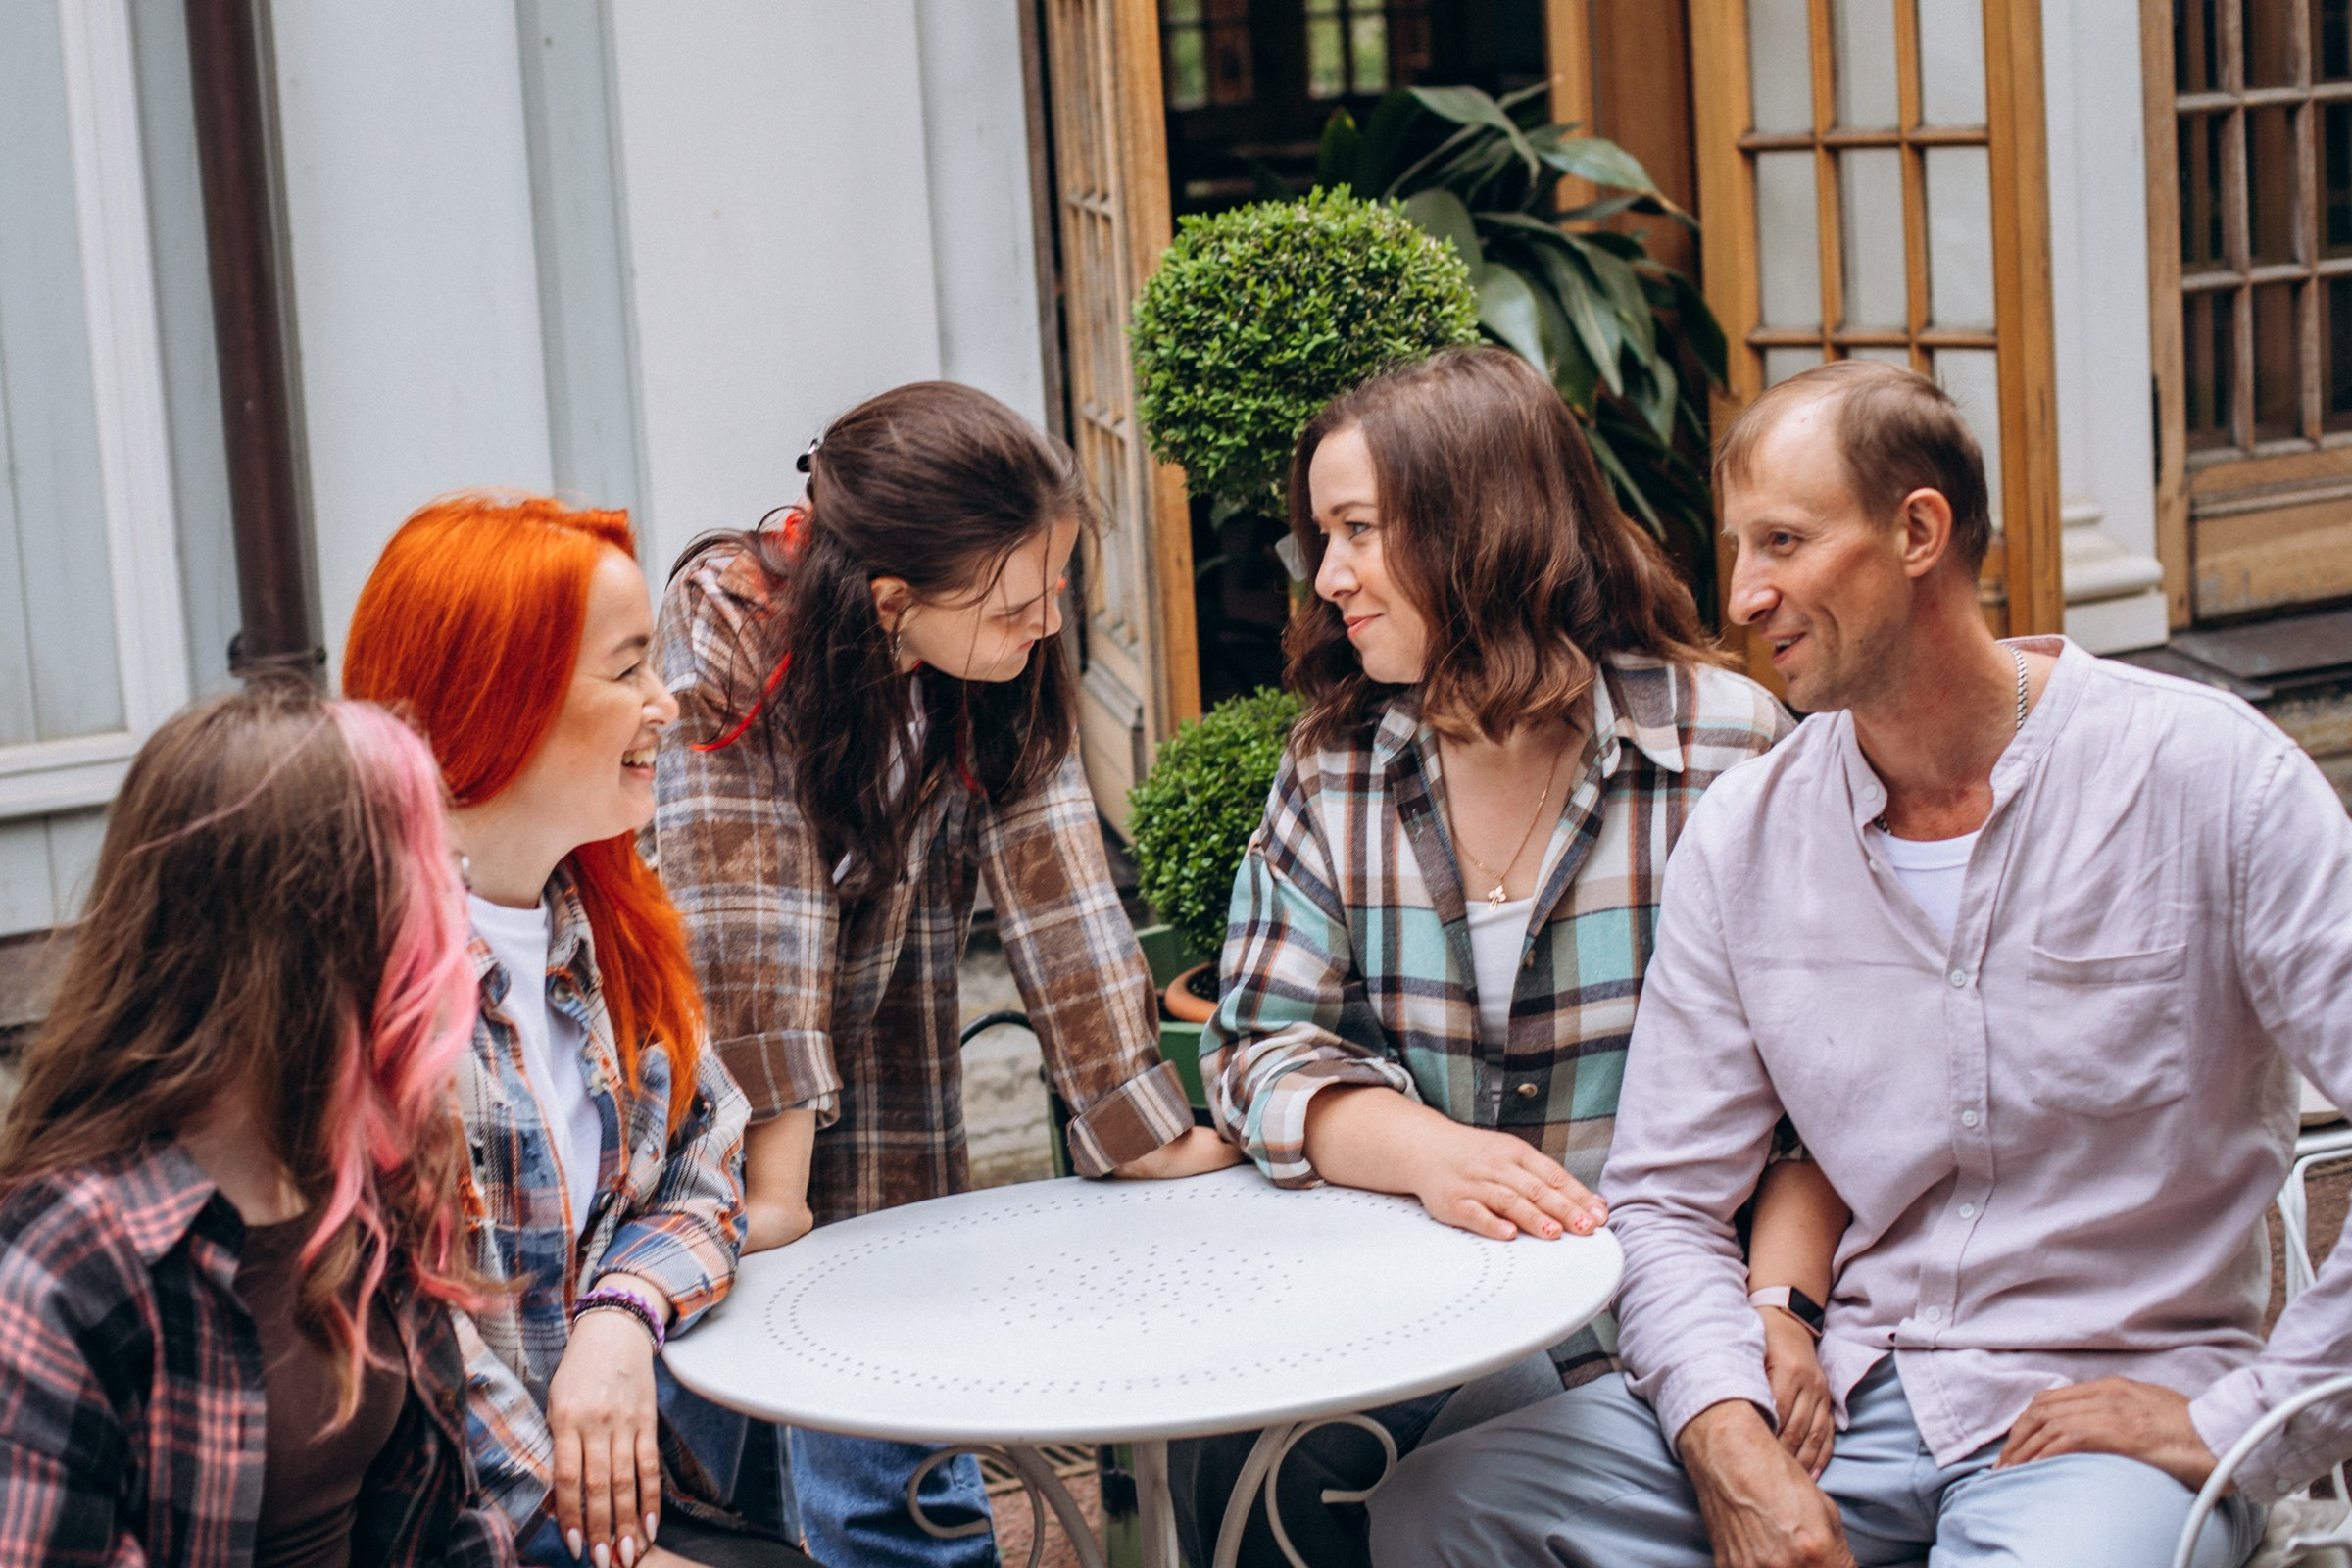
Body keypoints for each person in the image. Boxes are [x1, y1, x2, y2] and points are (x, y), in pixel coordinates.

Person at [1369, 358, 2352, 1567]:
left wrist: (2248, 1422)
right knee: (1448, 1508)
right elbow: (1667, 1195)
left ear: (1919, 531)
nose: (1742, 597)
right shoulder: (1748, 834)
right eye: (1736, 548)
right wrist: (1727, 1442)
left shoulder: (2210, 778)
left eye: (1783, 540)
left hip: (2106, 1420)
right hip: (1851, 1391)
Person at [1181, 345, 1826, 1568]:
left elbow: (1825, 1091)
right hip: (1410, 1306)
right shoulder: (1338, 769)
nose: (1329, 579)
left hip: (1673, 1321)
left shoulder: (1725, 750)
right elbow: (1258, 1045)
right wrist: (1430, 1154)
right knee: (1239, 1451)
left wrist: (1776, 1310)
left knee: (1490, 1425)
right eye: (1320, 536)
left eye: (1361, 530)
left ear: (1479, 532)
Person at [651, 381, 1238, 1568]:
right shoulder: (733, 616)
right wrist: (770, 1185)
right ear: (890, 601)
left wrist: (1141, 1125)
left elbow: (1060, 875)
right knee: (734, 1409)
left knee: (899, 1426)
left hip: (884, 1034)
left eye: (1058, 583)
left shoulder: (998, 656)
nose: (1049, 618)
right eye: (1019, 600)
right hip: (706, 1066)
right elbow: (747, 916)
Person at [346, 497, 804, 1568]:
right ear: (499, 694)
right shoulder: (365, 983)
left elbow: (709, 1155)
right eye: (629, 667)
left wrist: (618, 1313)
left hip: (633, 1513)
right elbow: (407, 1349)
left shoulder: (595, 918)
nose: (666, 701)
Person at [0, 682, 513, 1566]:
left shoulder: (374, 1179)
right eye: (435, 876)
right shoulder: (62, 1271)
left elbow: (448, 1529)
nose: (453, 918)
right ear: (320, 929)